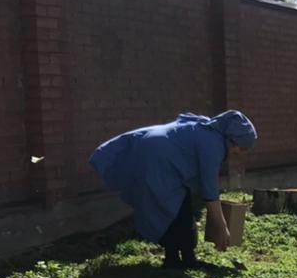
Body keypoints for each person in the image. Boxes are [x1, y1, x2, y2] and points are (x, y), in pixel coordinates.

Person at [90, 110, 257, 269]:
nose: (239, 153)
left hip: (150, 150)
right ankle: (183, 260)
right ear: (232, 139)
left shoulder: (206, 129)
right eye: (241, 148)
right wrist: (221, 227)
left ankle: (175, 258)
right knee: (172, 211)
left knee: (177, 210)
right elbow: (210, 190)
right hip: (158, 161)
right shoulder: (213, 144)